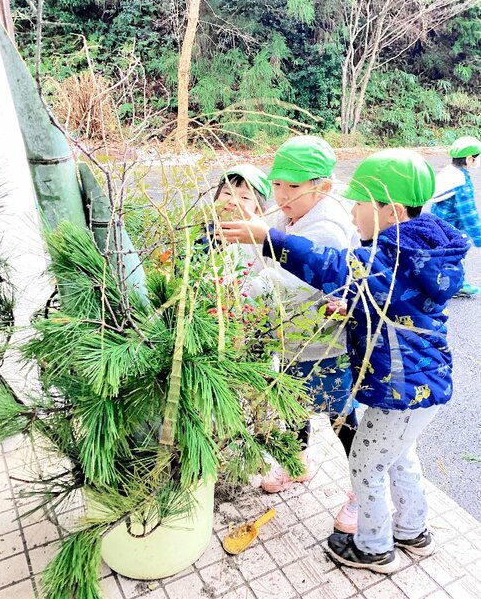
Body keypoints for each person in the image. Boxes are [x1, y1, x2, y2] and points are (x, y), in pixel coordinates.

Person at [220, 149, 469, 573]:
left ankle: (373, 548)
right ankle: (413, 531)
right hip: (421, 384)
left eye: (359, 203)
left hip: (400, 388)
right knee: (401, 458)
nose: (352, 211)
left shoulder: (390, 257)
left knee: (366, 467)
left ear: (388, 210)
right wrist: (353, 303)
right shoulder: (417, 250)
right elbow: (394, 301)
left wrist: (268, 238)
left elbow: (332, 266)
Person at [241, 136, 360, 529]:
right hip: (291, 338)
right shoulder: (287, 215)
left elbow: (291, 284)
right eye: (277, 184)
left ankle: (363, 490)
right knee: (294, 404)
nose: (282, 194)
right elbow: (260, 252)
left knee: (339, 415)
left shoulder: (328, 227)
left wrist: (244, 294)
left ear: (322, 187)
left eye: (293, 187)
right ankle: (297, 464)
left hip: (324, 342)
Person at [430, 135, 481, 296]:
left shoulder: (448, 172)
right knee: (456, 255)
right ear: (469, 159)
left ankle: (438, 282)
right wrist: (478, 236)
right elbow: (468, 213)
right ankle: (457, 285)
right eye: (477, 158)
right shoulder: (461, 181)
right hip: (452, 227)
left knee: (442, 255)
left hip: (438, 222)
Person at [197, 163, 271, 272]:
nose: (232, 201)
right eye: (227, 193)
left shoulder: (261, 245)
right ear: (216, 198)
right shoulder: (201, 234)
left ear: (259, 211)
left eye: (244, 197)